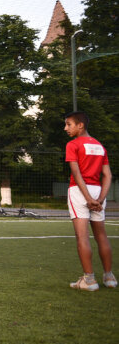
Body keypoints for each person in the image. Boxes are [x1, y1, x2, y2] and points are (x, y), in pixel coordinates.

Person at [64, 111, 116, 291]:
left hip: (80, 191)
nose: (66, 128)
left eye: (68, 124)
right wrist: (100, 199)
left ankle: (89, 280)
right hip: (98, 191)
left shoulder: (73, 144)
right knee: (101, 235)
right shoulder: (100, 146)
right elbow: (108, 175)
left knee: (82, 236)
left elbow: (76, 173)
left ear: (80, 125)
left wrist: (87, 198)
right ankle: (109, 278)